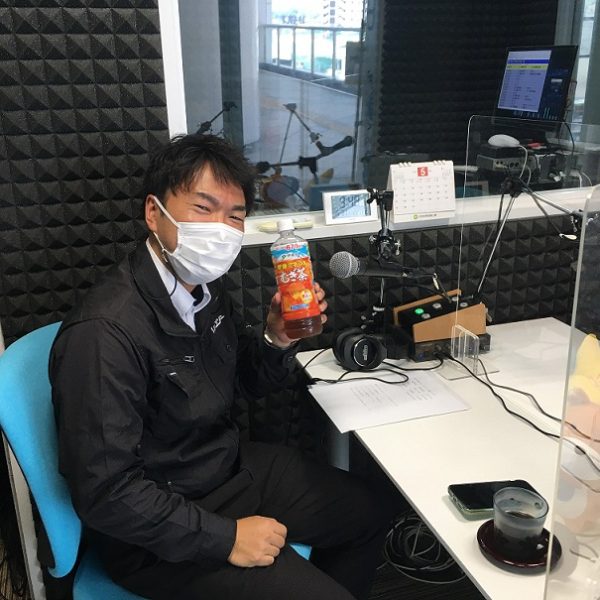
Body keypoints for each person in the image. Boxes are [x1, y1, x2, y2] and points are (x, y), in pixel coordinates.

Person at [50, 133, 396, 600]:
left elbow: (243, 382)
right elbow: (106, 494)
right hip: (157, 532)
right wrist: (225, 538)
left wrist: (277, 337)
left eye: (235, 216)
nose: (221, 229)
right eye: (203, 208)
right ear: (154, 212)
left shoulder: (204, 288)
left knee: (371, 511)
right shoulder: (103, 333)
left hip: (224, 468)